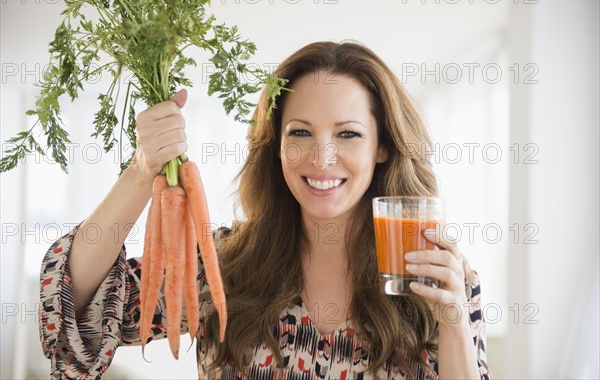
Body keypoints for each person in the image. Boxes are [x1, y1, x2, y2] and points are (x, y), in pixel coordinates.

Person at [39, 41, 491, 379]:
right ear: (275, 145)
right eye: (300, 133)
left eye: (348, 134)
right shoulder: (221, 265)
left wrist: (453, 324)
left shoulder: (437, 275)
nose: (322, 157)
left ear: (383, 146)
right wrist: (142, 171)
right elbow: (74, 314)